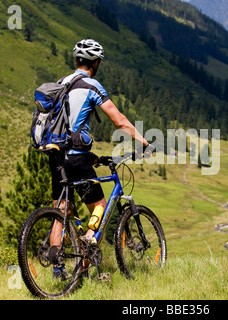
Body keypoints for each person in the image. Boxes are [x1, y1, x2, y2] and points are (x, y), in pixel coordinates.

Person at [48, 39, 149, 278]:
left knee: (61, 211)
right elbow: (119, 120)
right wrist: (144, 142)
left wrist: (88, 153)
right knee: (100, 207)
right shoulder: (92, 85)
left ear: (75, 61)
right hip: (76, 160)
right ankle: (87, 252)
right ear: (95, 63)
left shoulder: (61, 83)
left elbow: (63, 125)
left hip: (56, 156)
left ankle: (57, 267)